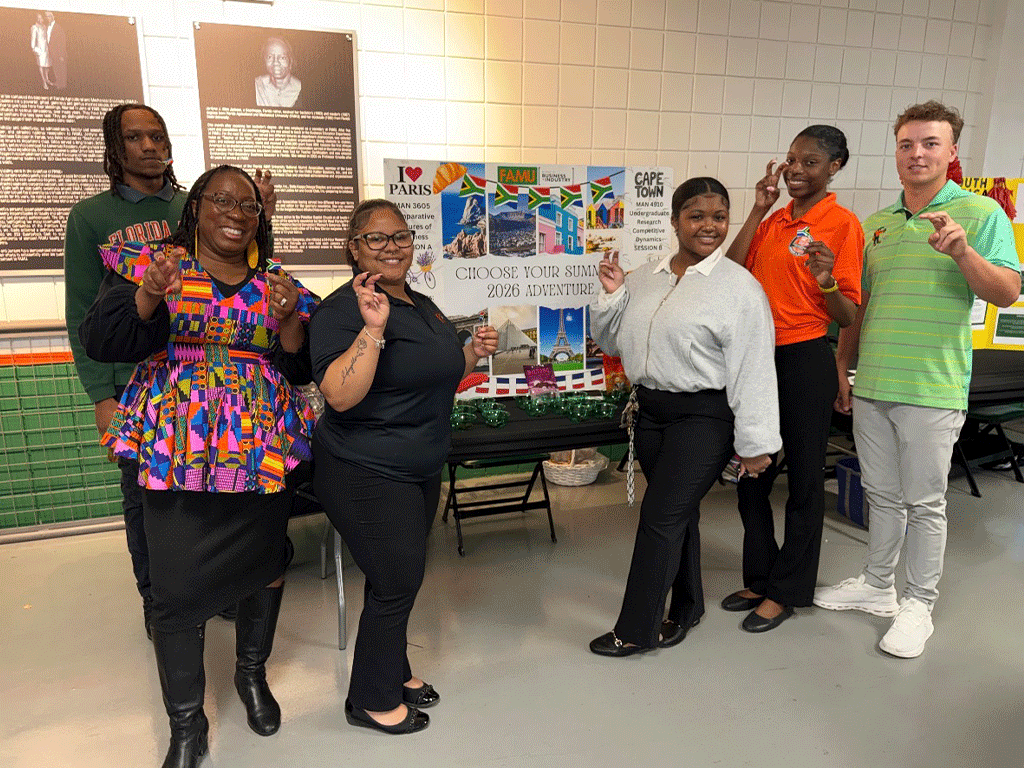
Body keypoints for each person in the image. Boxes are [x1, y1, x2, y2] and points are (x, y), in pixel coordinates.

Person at [78, 165, 316, 768]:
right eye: (221, 201)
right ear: (196, 209)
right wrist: (150, 292)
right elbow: (103, 340)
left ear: (259, 217)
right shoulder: (158, 266)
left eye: (247, 205)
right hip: (175, 447)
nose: (236, 212)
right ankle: (187, 722)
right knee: (176, 585)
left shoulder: (277, 283)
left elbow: (297, 368)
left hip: (258, 446)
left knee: (265, 564)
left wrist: (289, 321)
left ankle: (252, 676)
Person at [813, 101, 1021, 658]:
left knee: (925, 502)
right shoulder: (875, 225)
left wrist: (961, 251)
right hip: (875, 381)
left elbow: (1005, 292)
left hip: (932, 387)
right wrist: (843, 367)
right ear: (897, 152)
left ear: (952, 151)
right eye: (907, 144)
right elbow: (863, 305)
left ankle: (918, 604)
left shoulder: (979, 215)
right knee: (882, 495)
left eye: (930, 143)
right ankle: (878, 585)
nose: (917, 154)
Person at [64, 103, 278, 638]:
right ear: (115, 148)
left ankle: (220, 588)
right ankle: (157, 600)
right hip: (134, 389)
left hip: (210, 390)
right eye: (136, 137)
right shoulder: (91, 217)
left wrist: (262, 219)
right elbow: (85, 313)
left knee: (216, 495)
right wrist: (99, 393)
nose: (150, 146)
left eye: (158, 136)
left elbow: (244, 278)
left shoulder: (198, 203)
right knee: (149, 501)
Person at [308, 199, 497, 734]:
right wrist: (373, 330)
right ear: (354, 248)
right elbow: (341, 396)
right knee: (395, 578)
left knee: (405, 577)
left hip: (418, 465)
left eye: (400, 236)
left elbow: (438, 369)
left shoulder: (422, 302)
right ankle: (368, 698)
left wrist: (472, 354)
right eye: (376, 238)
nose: (392, 247)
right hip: (363, 468)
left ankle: (396, 667)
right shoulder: (342, 310)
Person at [587, 177, 781, 657]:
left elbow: (754, 369)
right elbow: (612, 343)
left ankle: (635, 629)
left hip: (704, 417)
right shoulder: (643, 277)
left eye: (719, 217)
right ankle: (687, 606)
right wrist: (612, 295)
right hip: (651, 413)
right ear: (675, 222)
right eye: (697, 216)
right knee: (680, 518)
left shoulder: (739, 288)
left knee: (660, 517)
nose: (709, 226)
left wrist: (757, 444)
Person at [721, 126, 864, 632]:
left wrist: (826, 281)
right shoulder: (774, 221)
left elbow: (847, 316)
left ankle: (789, 590)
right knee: (750, 469)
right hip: (756, 357)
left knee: (804, 479)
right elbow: (731, 272)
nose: (796, 170)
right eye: (791, 160)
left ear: (835, 166)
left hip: (805, 357)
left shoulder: (842, 225)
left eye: (809, 162)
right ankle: (760, 576)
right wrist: (758, 207)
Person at [255, 37, 302, 108]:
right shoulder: (257, 85)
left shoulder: (302, 89)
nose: (275, 62)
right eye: (270, 57)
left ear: (290, 61)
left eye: (282, 57)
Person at [44, 11, 66, 90]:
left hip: (58, 53)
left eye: (49, 16)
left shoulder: (58, 28)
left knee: (60, 69)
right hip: (50, 52)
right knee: (54, 69)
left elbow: (62, 42)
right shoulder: (46, 27)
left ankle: (62, 85)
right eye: (46, 16)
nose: (48, 18)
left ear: (53, 17)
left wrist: (61, 55)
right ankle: (57, 82)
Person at [30, 14, 50, 90]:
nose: (39, 19)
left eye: (40, 18)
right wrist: (34, 48)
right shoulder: (34, 27)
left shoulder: (44, 27)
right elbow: (33, 38)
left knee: (47, 64)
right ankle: (43, 81)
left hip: (46, 48)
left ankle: (47, 78)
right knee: (41, 65)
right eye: (37, 18)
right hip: (39, 48)